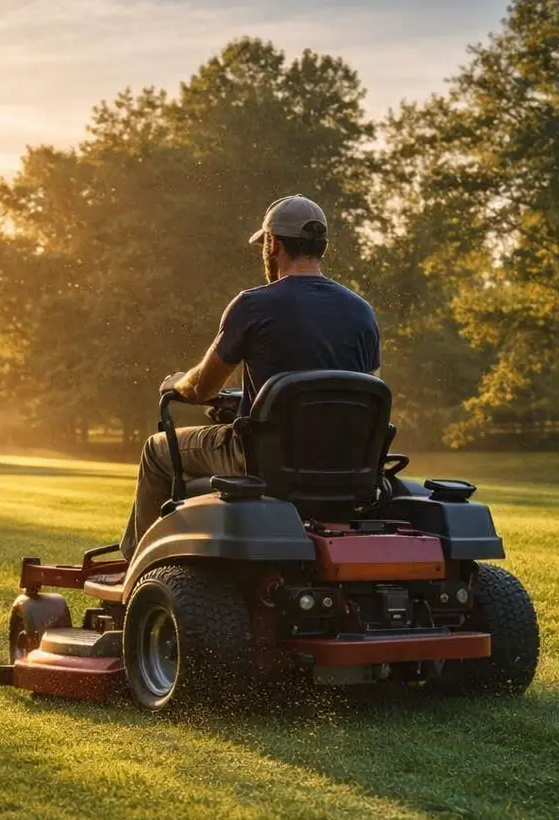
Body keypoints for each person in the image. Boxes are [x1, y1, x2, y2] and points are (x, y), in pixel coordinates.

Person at [119, 194, 382, 559]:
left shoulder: (253, 305)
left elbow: (200, 388)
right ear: (322, 247)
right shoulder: (362, 312)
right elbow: (357, 396)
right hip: (347, 465)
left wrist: (176, 382)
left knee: (157, 449)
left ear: (273, 244)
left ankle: (140, 567)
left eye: (265, 245)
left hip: (264, 463)